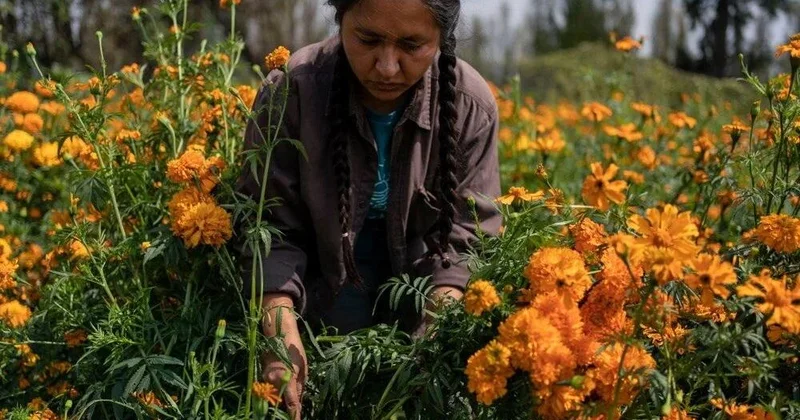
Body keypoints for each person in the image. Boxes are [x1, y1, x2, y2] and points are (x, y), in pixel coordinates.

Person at [235, 0, 501, 417]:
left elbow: (466, 238)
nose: (388, 67)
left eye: (412, 45)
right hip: (322, 271)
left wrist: (440, 321)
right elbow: (270, 227)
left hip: (421, 277)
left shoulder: (470, 105)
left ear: (443, 41)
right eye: (368, 40)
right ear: (341, 22)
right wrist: (277, 334)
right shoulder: (293, 90)